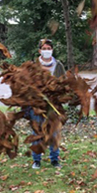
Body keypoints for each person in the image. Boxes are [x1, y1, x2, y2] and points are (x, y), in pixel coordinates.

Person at [29, 38, 65, 169]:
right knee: (37, 132)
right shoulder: (33, 66)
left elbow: (63, 83)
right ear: (40, 50)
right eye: (44, 49)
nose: (47, 51)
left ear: (52, 50)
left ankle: (55, 159)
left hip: (53, 106)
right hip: (37, 105)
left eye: (49, 49)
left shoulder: (58, 65)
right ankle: (36, 160)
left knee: (54, 133)